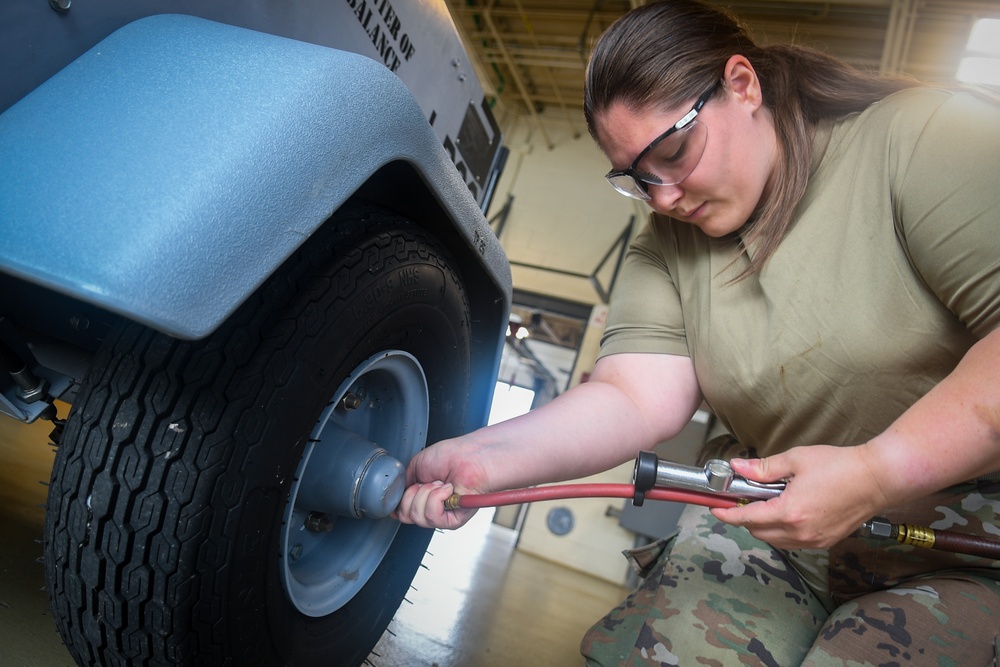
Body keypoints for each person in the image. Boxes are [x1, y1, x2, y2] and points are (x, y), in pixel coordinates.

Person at [395, 0, 1000, 664]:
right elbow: (630, 397)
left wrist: (877, 471)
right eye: (638, 179)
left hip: (962, 536)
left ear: (742, 85)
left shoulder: (923, 139)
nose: (661, 197)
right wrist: (487, 459)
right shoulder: (669, 244)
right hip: (780, 524)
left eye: (674, 152)